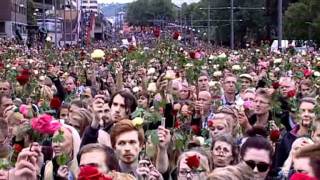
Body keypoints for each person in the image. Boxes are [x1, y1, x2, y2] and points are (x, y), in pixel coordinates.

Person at [275, 97, 317, 169]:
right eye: (302, 111)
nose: (306, 114)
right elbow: (278, 166)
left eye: (310, 111)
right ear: (297, 114)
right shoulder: (287, 138)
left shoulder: (318, 137)